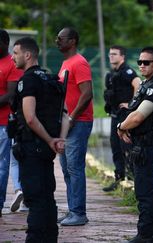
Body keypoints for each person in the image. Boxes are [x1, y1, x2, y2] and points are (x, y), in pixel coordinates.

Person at [11, 36, 68, 243]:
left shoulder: (28, 81)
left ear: (27, 55)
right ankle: (50, 237)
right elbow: (65, 115)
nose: (13, 57)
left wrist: (49, 139)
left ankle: (35, 239)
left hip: (31, 146)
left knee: (34, 197)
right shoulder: (51, 79)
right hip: (46, 149)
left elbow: (30, 117)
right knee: (47, 196)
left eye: (15, 53)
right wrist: (58, 139)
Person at [117, 47, 153, 243]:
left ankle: (147, 234)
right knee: (145, 190)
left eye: (146, 62)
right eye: (139, 62)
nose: (141, 65)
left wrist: (121, 127)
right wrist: (122, 126)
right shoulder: (146, 85)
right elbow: (133, 110)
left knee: (146, 191)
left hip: (149, 145)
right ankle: (152, 233)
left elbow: (139, 117)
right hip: (142, 145)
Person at [56, 27, 93, 226]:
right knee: (66, 168)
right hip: (67, 123)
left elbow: (87, 94)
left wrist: (71, 118)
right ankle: (72, 211)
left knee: (75, 168)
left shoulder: (79, 62)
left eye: (61, 38)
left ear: (72, 41)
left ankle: (79, 212)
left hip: (78, 123)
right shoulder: (65, 63)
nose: (57, 41)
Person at [103, 45, 140, 192]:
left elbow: (137, 84)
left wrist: (131, 104)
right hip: (115, 114)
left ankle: (131, 179)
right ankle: (119, 178)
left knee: (127, 146)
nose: (111, 56)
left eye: (114, 54)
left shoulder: (127, 71)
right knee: (115, 147)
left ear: (122, 56)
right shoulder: (112, 73)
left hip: (125, 115)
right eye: (110, 54)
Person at [0, 29, 23, 217]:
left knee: (3, 164)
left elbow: (10, 94)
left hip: (4, 123)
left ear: (4, 43)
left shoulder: (11, 64)